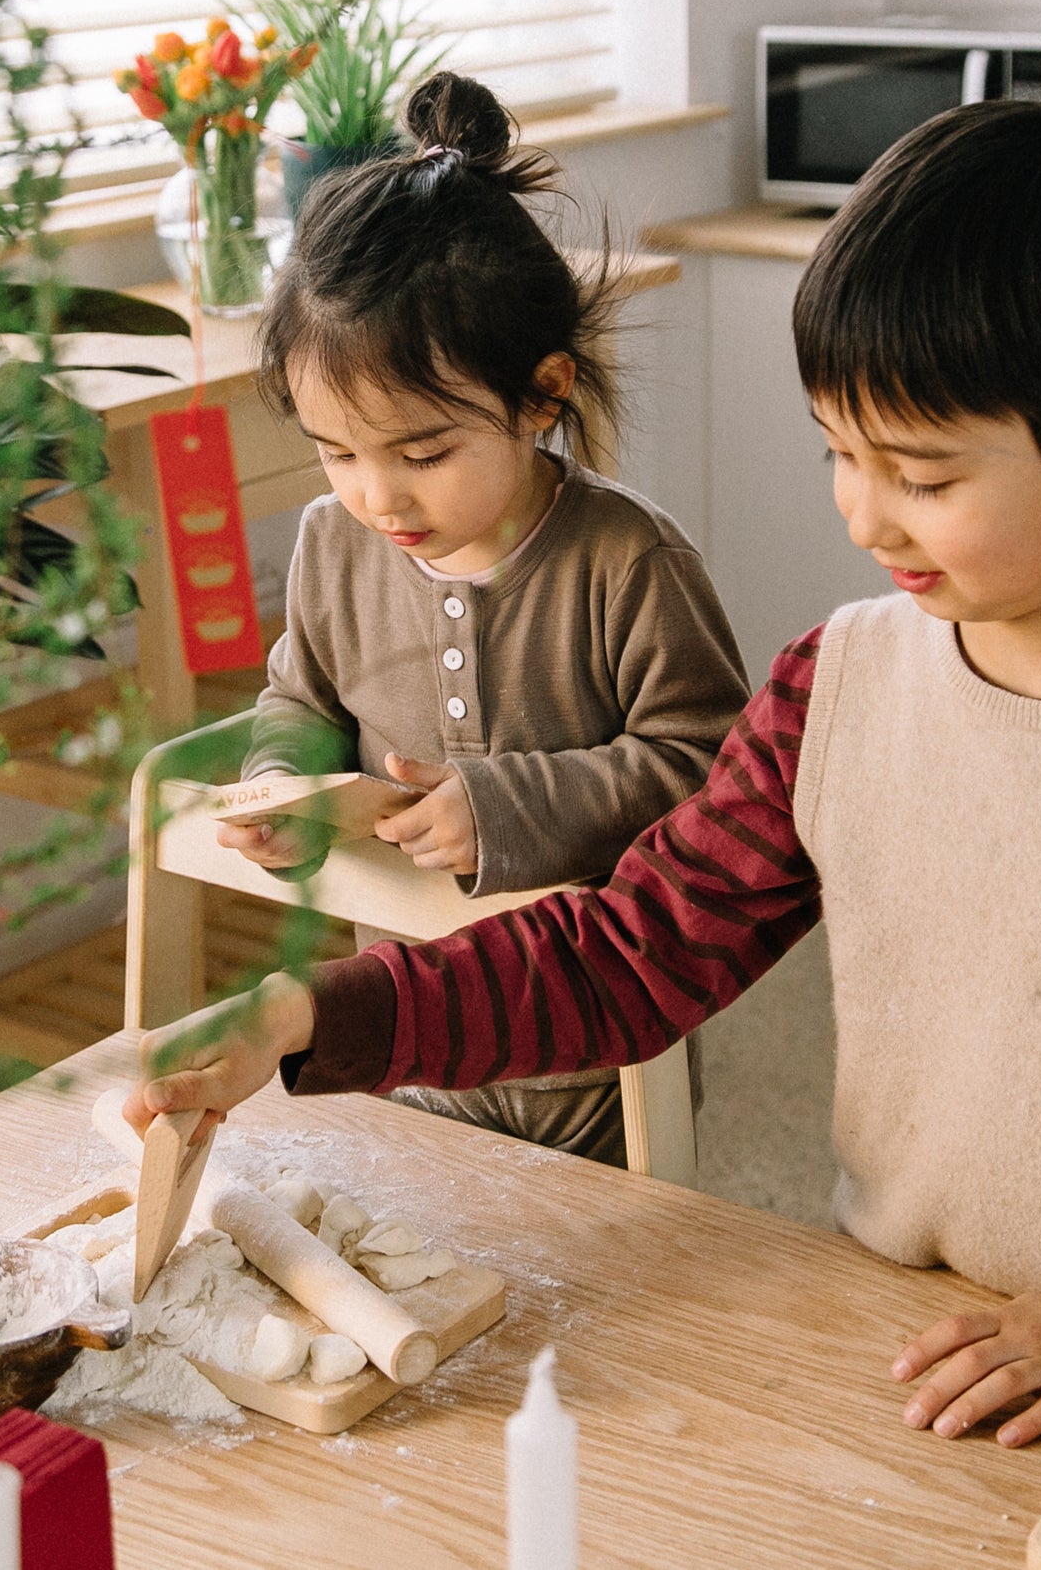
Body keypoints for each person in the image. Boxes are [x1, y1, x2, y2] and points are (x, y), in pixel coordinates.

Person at [127, 99, 1041, 1447]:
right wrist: (298, 1012)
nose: (861, 514)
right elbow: (624, 955)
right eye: (837, 453)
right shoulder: (835, 684)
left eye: (918, 472)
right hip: (910, 1334)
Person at [208, 68, 749, 1164]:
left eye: (422, 452)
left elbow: (712, 773)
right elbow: (300, 697)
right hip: (403, 1046)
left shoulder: (625, 563)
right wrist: (285, 779)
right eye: (336, 451)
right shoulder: (332, 543)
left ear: (543, 394)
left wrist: (502, 805)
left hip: (599, 1068)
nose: (377, 496)